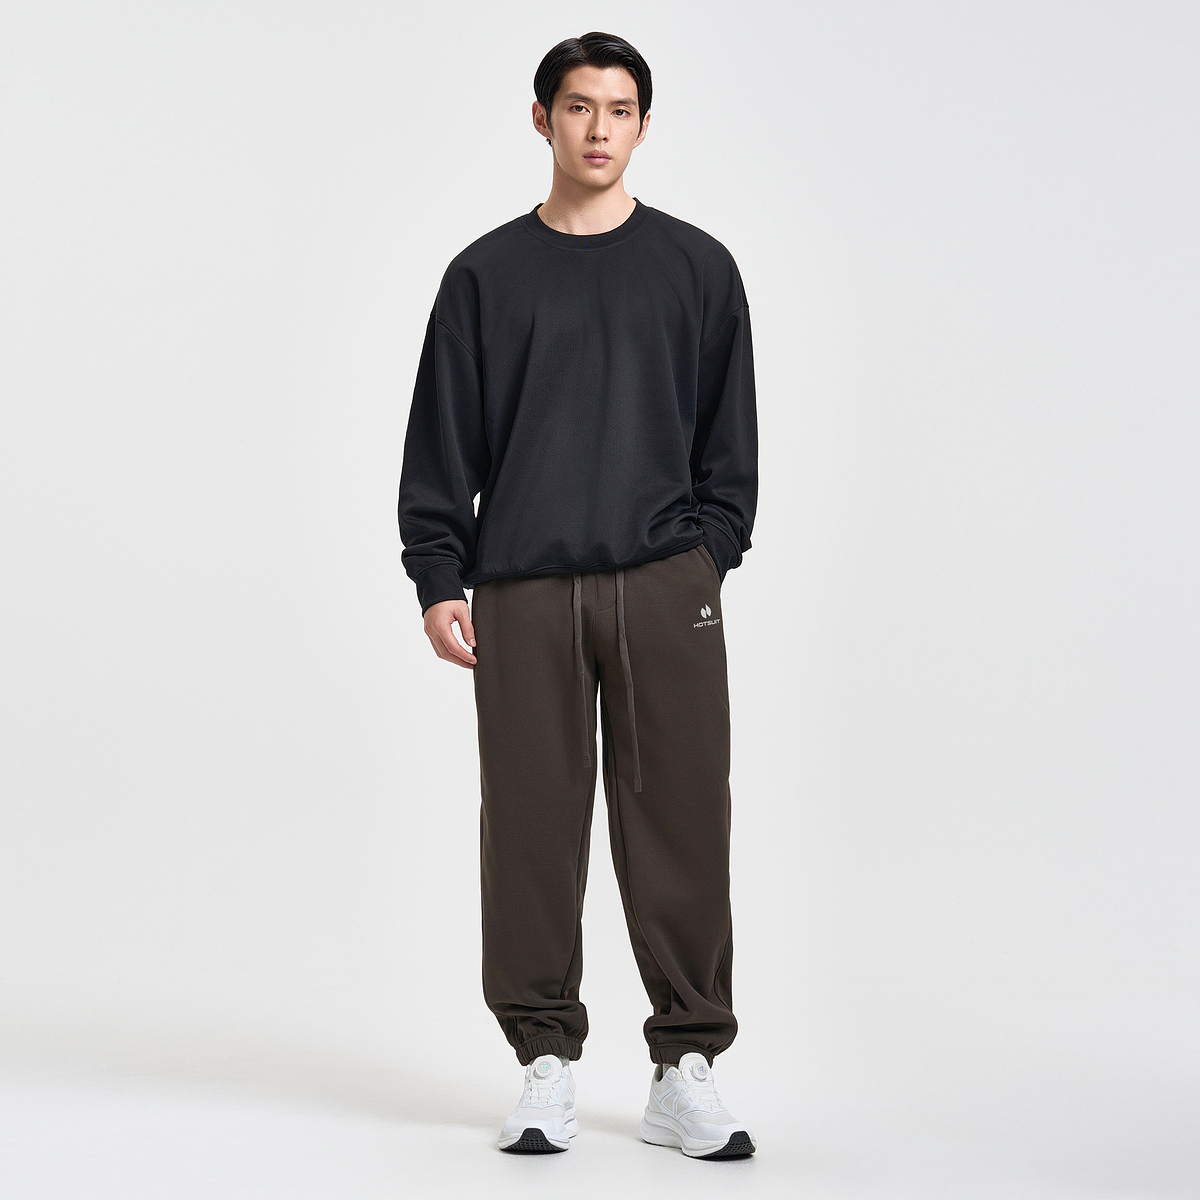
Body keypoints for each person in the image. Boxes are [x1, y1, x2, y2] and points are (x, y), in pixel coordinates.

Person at [397, 31, 759, 1160]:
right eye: (578, 106)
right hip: (523, 588)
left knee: (682, 822)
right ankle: (543, 1060)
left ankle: (685, 1066)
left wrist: (701, 558)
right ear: (541, 118)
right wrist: (440, 574)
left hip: (663, 583)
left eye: (619, 109)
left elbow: (729, 445)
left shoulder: (698, 269)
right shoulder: (484, 276)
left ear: (643, 125)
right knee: (531, 829)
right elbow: (441, 441)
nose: (599, 128)